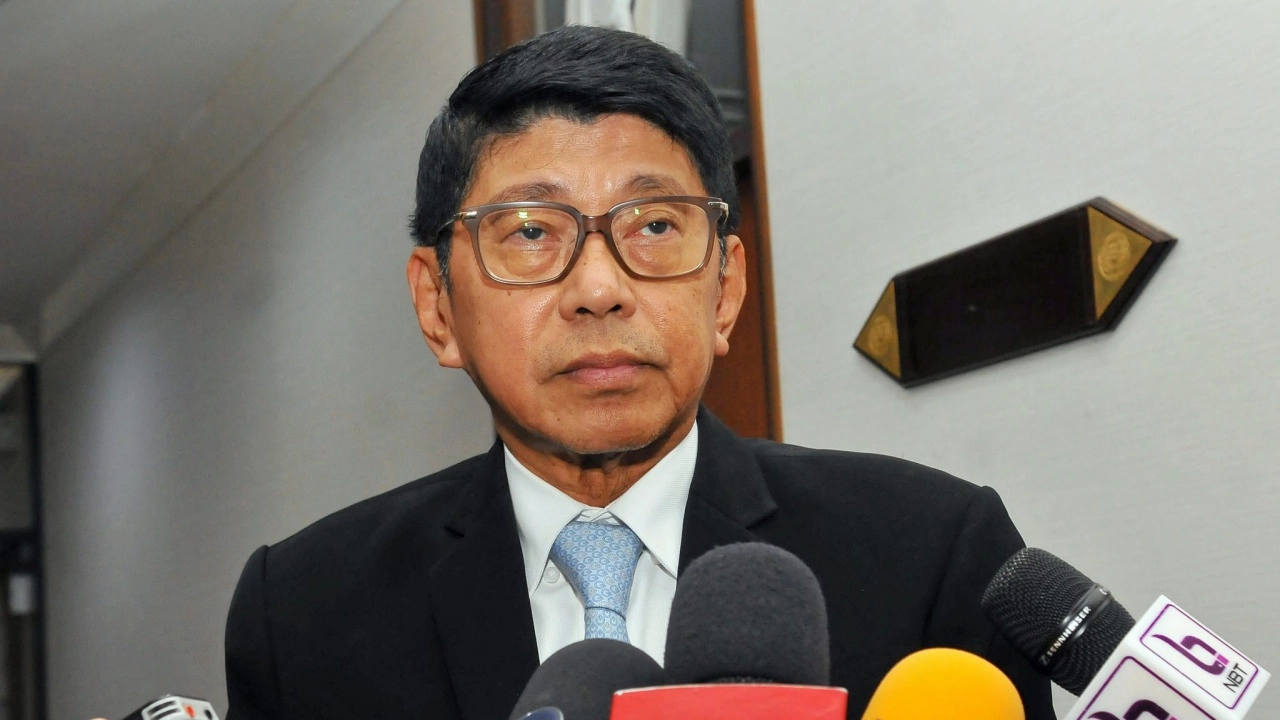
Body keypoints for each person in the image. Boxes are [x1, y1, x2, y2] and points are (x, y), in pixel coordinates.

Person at [223, 24, 1055, 720]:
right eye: (531, 232)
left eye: (655, 225)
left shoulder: (935, 552)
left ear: (726, 289)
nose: (599, 289)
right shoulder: (301, 613)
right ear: (438, 306)